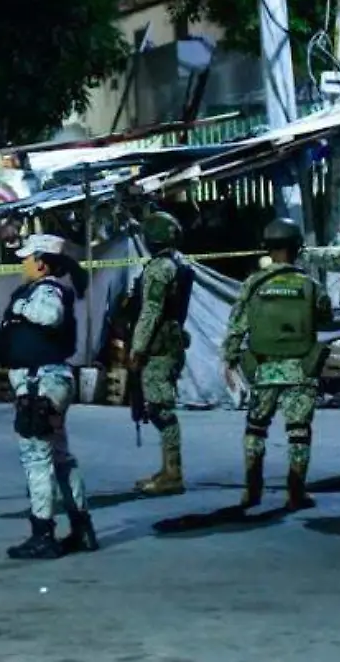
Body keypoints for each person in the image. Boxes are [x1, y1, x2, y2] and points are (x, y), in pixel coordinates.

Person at [0, 233, 98, 559]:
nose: (23, 264)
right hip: (48, 380)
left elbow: (50, 316)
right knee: (60, 457)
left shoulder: (46, 290)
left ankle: (43, 536)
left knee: (37, 459)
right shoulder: (44, 289)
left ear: (41, 263)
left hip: (40, 383)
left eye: (27, 258)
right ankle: (82, 530)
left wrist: (20, 307)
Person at [221, 219, 332, 511]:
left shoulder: (253, 283)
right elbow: (325, 317)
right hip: (301, 369)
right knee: (299, 432)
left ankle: (251, 491)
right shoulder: (311, 285)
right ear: (297, 247)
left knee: (256, 428)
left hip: (263, 368)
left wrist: (229, 360)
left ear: (267, 248)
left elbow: (236, 327)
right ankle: (296, 492)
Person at [127, 211, 193, 496]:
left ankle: (173, 474)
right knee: (157, 406)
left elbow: (151, 311)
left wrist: (137, 348)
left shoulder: (159, 268)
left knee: (160, 409)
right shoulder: (177, 263)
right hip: (170, 343)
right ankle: (167, 469)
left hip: (158, 347)